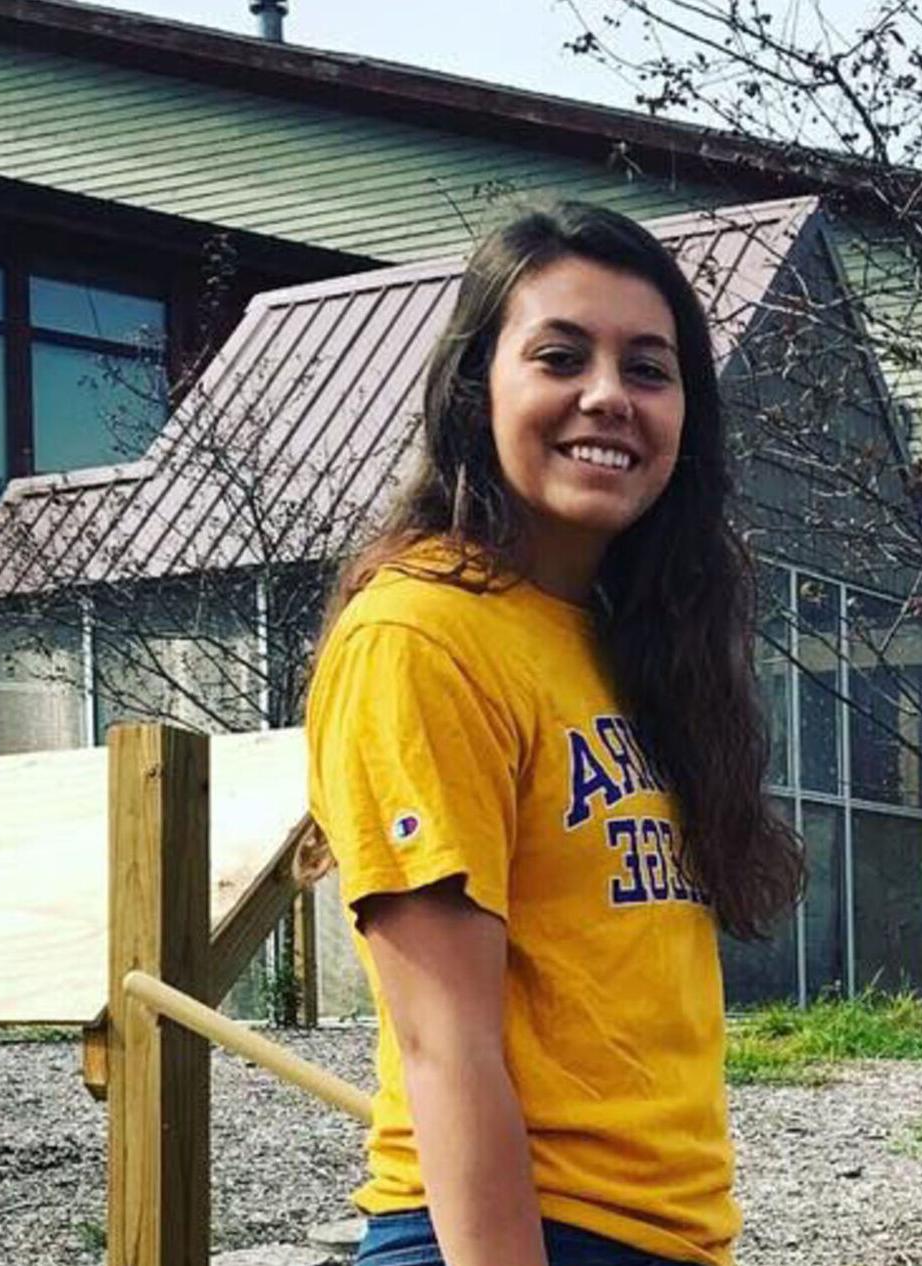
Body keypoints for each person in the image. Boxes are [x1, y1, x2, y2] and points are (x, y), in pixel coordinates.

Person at [300, 201, 805, 1266]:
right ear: (476, 389)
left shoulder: (633, 648)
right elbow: (446, 1047)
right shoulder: (421, 636)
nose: (609, 397)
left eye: (650, 369)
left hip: (662, 1236)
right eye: (561, 356)